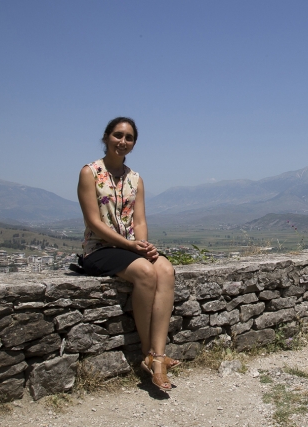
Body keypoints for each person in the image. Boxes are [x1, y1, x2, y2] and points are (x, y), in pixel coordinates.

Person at [77, 117, 178, 392]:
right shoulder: (90, 172)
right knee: (146, 272)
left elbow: (140, 220)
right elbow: (94, 223)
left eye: (129, 137)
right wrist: (131, 246)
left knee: (166, 270)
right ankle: (152, 355)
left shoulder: (136, 179)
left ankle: (157, 355)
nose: (123, 141)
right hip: (99, 249)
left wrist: (142, 245)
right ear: (107, 137)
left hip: (131, 248)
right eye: (118, 135)